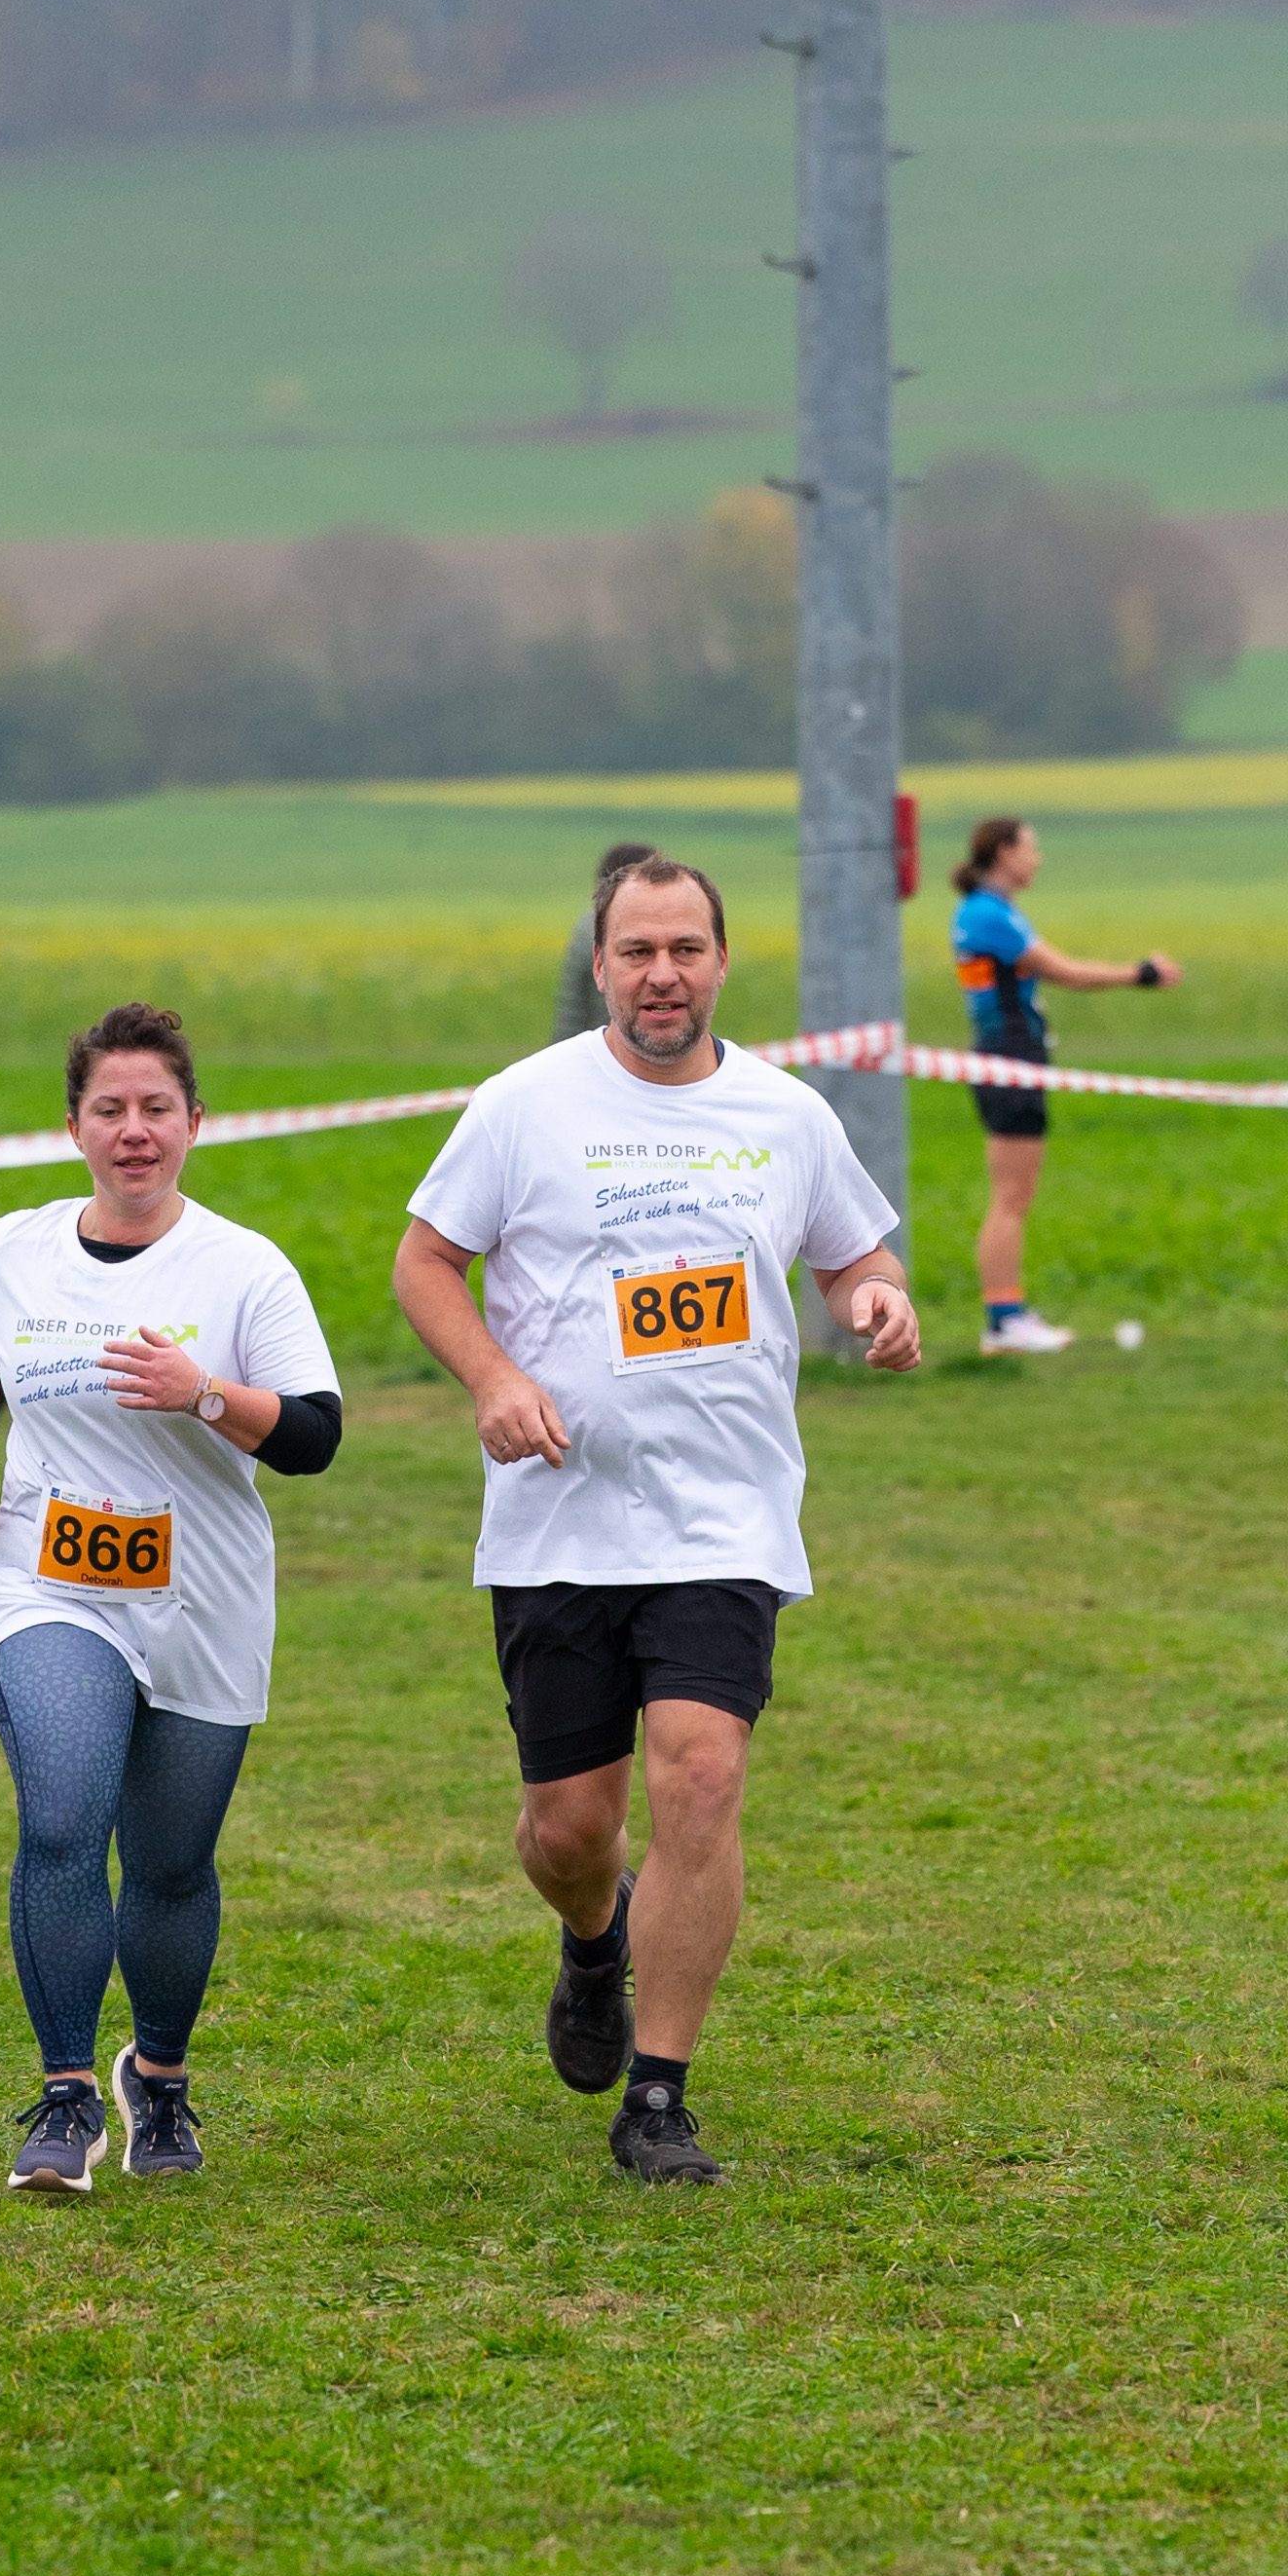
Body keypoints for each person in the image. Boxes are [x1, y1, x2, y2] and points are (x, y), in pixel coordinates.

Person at [394, 851, 919, 2186]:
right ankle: (592, 1943)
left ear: (722, 962)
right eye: (636, 951)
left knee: (701, 1773)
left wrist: (876, 1296)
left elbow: (852, 1249)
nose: (662, 975)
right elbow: (425, 1261)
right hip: (560, 1518)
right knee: (571, 1830)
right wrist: (493, 1379)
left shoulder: (785, 1114)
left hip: (723, 1513)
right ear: (600, 965)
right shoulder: (524, 1105)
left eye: (685, 949)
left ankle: (659, 2095)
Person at [0, 1000, 342, 2199]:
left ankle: (156, 2077)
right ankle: (64, 2100)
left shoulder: (243, 1267)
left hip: (203, 1600)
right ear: (74, 1128)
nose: (133, 1130)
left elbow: (313, 1437)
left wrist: (203, 1392)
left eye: (156, 1107)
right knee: (62, 1817)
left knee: (169, 1865)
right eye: (109, 1109)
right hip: (46, 1584)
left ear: (195, 1123)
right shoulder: (12, 1251)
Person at [952, 816, 1181, 1358]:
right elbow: (1065, 972)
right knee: (1011, 1197)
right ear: (1004, 853)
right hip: (1010, 1058)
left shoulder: (990, 910)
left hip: (1009, 1056)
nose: (1038, 859)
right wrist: (1141, 974)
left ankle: (1008, 1316)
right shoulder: (988, 914)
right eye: (1030, 848)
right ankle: (1004, 1320)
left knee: (1014, 1195)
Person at [552, 840, 656, 1041]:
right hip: (614, 1045)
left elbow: (569, 1014)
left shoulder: (587, 924)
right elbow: (573, 1011)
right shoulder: (598, 931)